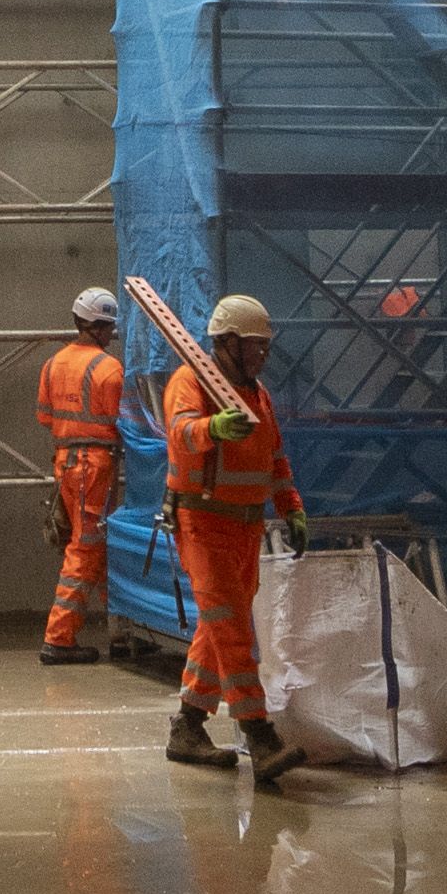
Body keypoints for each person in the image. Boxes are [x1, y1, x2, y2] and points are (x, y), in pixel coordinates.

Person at [161, 289, 305, 777]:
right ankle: (259, 737)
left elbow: (275, 458)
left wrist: (291, 508)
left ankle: (188, 726)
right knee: (234, 631)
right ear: (226, 342)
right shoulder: (190, 382)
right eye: (255, 345)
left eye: (265, 346)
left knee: (219, 627)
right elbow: (180, 433)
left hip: (245, 528)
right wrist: (213, 429)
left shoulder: (257, 395)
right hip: (203, 524)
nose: (263, 354)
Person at [35, 284, 134, 665]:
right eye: (110, 327)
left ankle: (123, 631)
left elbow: (45, 417)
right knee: (86, 548)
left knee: (99, 546)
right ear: (101, 327)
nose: (111, 334)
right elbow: (126, 423)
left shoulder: (53, 364)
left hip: (66, 465)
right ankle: (58, 639)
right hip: (93, 467)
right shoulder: (109, 369)